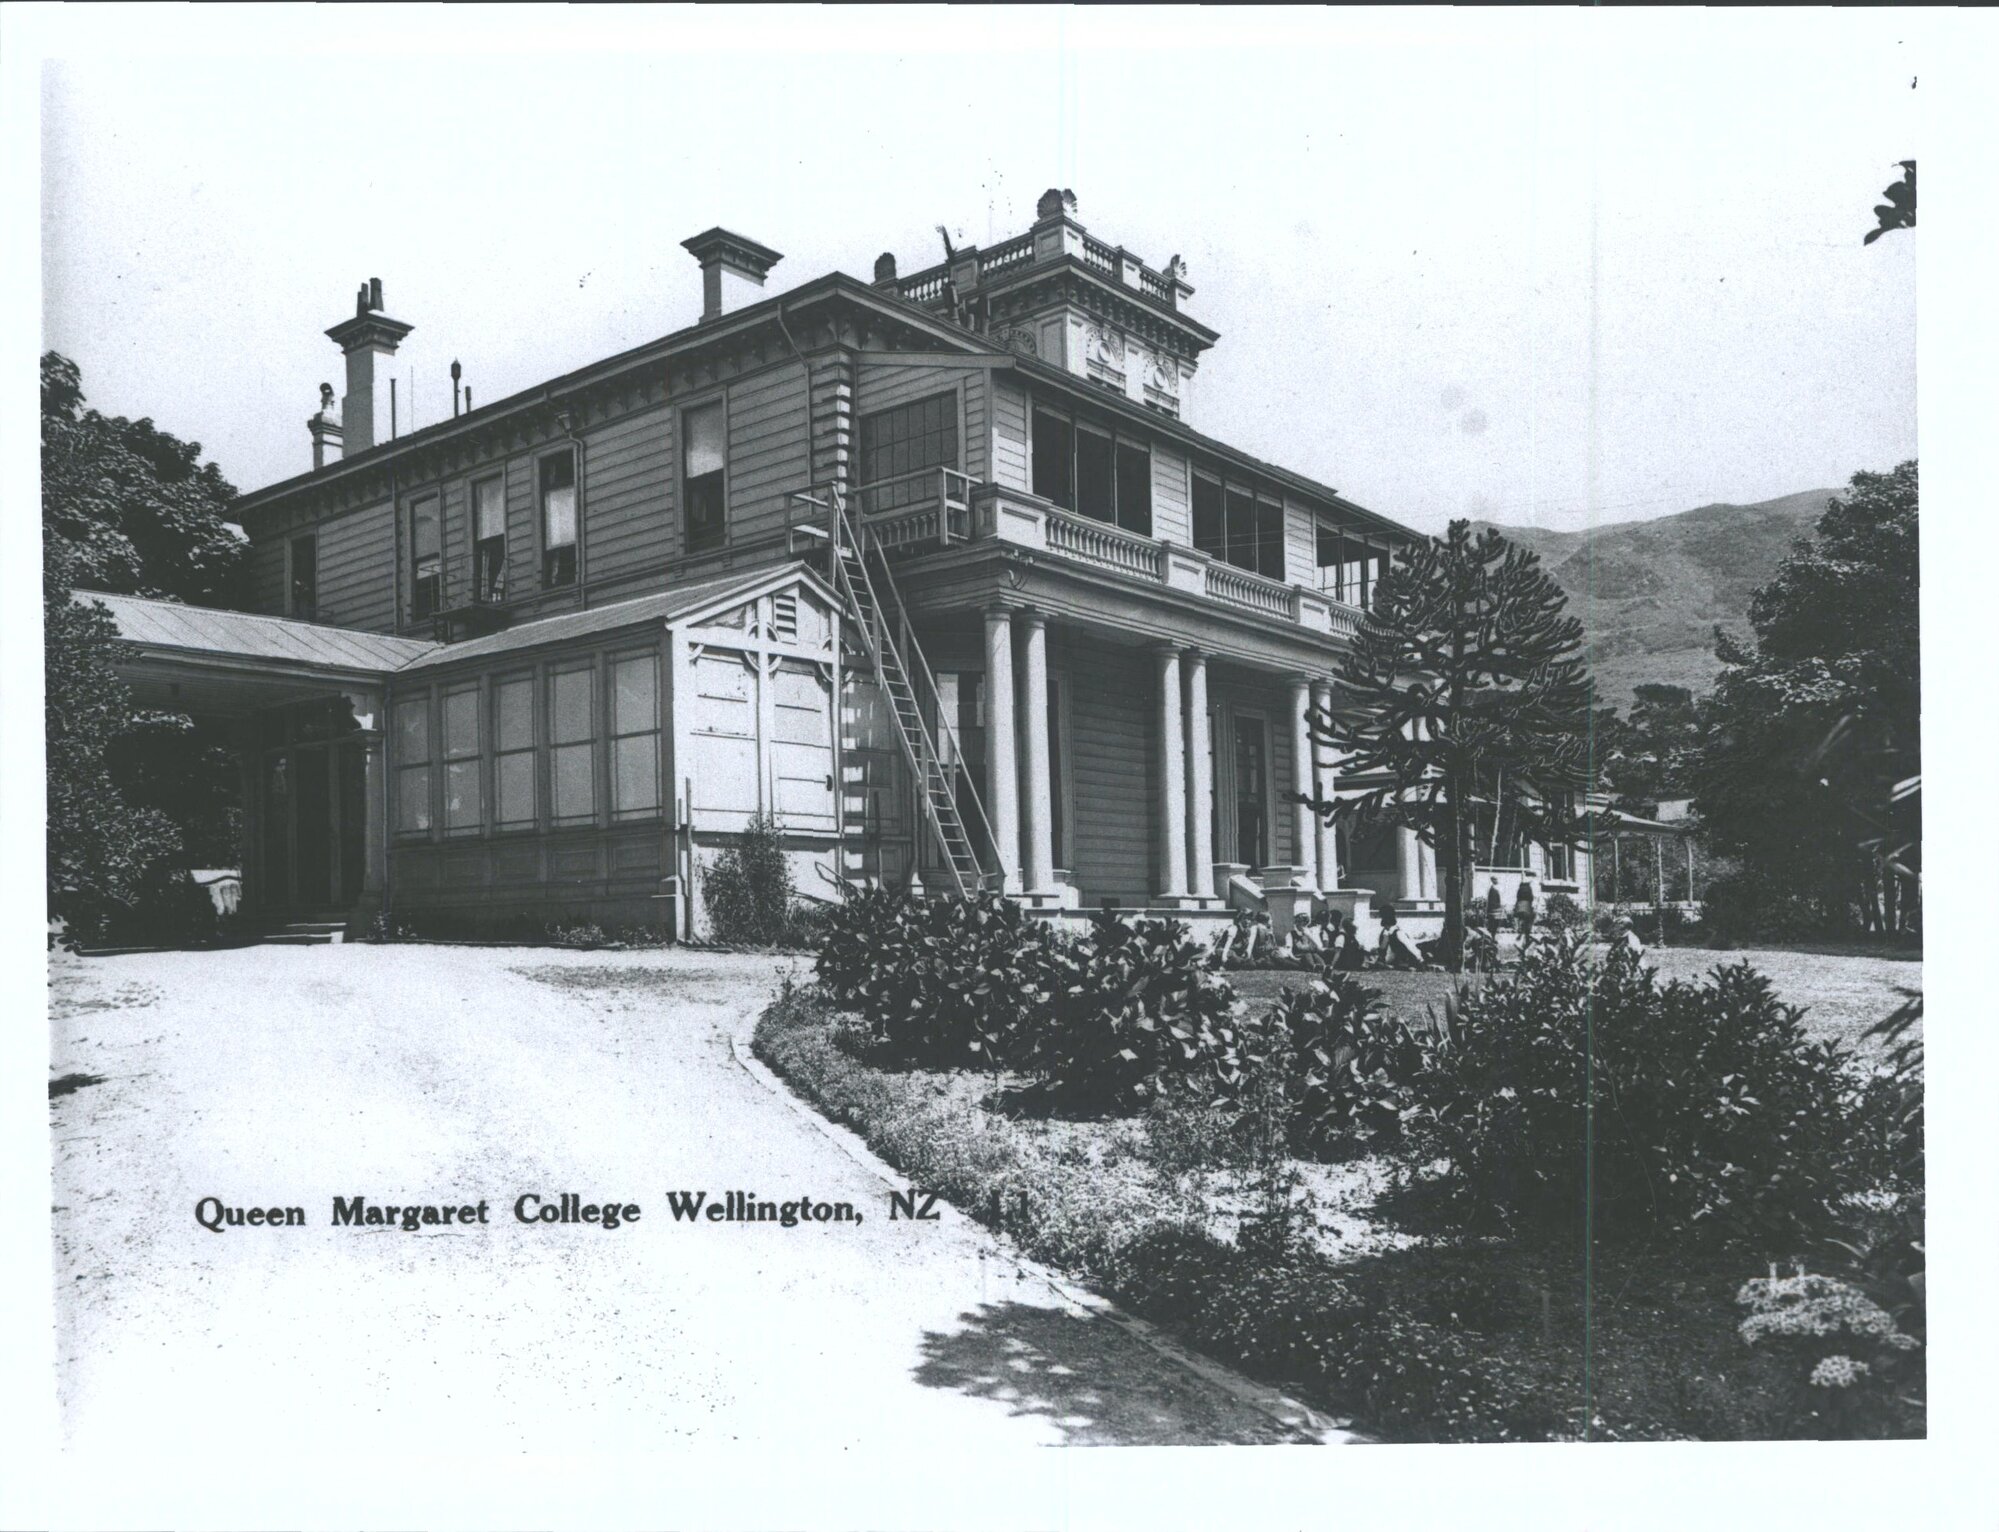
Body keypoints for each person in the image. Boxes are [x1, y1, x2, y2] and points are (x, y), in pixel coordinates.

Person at [1513, 877, 1537, 941]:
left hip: (1520, 907)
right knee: (1528, 922)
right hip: (1527, 907)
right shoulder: (1529, 888)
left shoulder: (1520, 888)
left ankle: (1520, 933)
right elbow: (1531, 898)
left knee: (1522, 921)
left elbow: (1517, 897)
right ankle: (1527, 936)